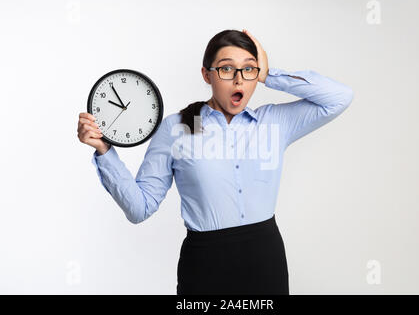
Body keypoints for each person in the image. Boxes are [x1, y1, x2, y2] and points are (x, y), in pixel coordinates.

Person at [77, 29, 353, 295]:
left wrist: (269, 75)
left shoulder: (274, 123)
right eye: (226, 69)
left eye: (248, 69)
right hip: (205, 268)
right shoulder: (176, 129)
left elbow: (339, 97)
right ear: (207, 75)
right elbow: (140, 208)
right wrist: (104, 150)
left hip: (266, 263)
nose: (239, 80)